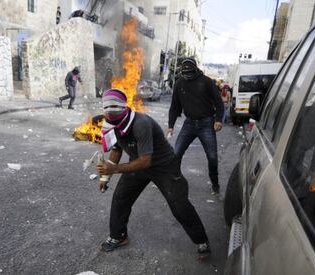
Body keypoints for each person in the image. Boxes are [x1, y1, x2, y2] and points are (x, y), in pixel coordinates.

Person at [95, 89, 211, 258]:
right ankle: (119, 236)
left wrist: (114, 169)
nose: (110, 112)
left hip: (163, 165)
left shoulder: (140, 124)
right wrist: (106, 176)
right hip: (137, 163)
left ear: (124, 107)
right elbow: (117, 149)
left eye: (114, 108)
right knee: (121, 198)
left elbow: (146, 161)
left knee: (179, 204)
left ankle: (202, 241)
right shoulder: (111, 123)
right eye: (107, 109)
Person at [166, 58, 224, 195]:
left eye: (190, 72)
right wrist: (170, 126)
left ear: (195, 69)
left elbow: (219, 102)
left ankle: (215, 183)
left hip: (207, 124)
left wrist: (218, 120)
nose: (188, 75)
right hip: (189, 124)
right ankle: (175, 179)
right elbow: (174, 107)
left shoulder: (206, 81)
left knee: (212, 157)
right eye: (185, 73)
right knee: (176, 153)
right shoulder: (179, 84)